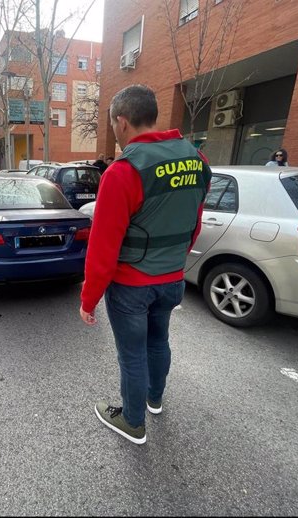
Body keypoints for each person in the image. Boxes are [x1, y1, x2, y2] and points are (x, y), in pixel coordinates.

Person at [79, 84, 212, 445]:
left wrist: (89, 299)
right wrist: (173, 263)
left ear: (122, 122)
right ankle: (155, 399)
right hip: (172, 280)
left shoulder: (123, 172)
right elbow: (194, 223)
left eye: (113, 126)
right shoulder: (196, 160)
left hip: (131, 286)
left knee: (132, 353)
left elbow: (103, 248)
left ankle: (133, 421)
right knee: (159, 340)